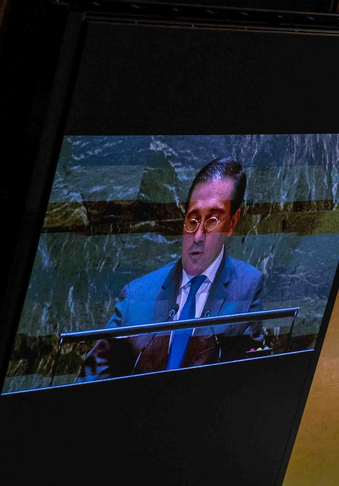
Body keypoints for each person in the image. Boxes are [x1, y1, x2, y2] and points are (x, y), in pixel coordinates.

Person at [81, 157, 266, 379]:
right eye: (193, 219)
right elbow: (89, 383)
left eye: (212, 220)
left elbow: (250, 380)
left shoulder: (247, 287)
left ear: (232, 223)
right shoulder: (136, 295)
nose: (198, 236)